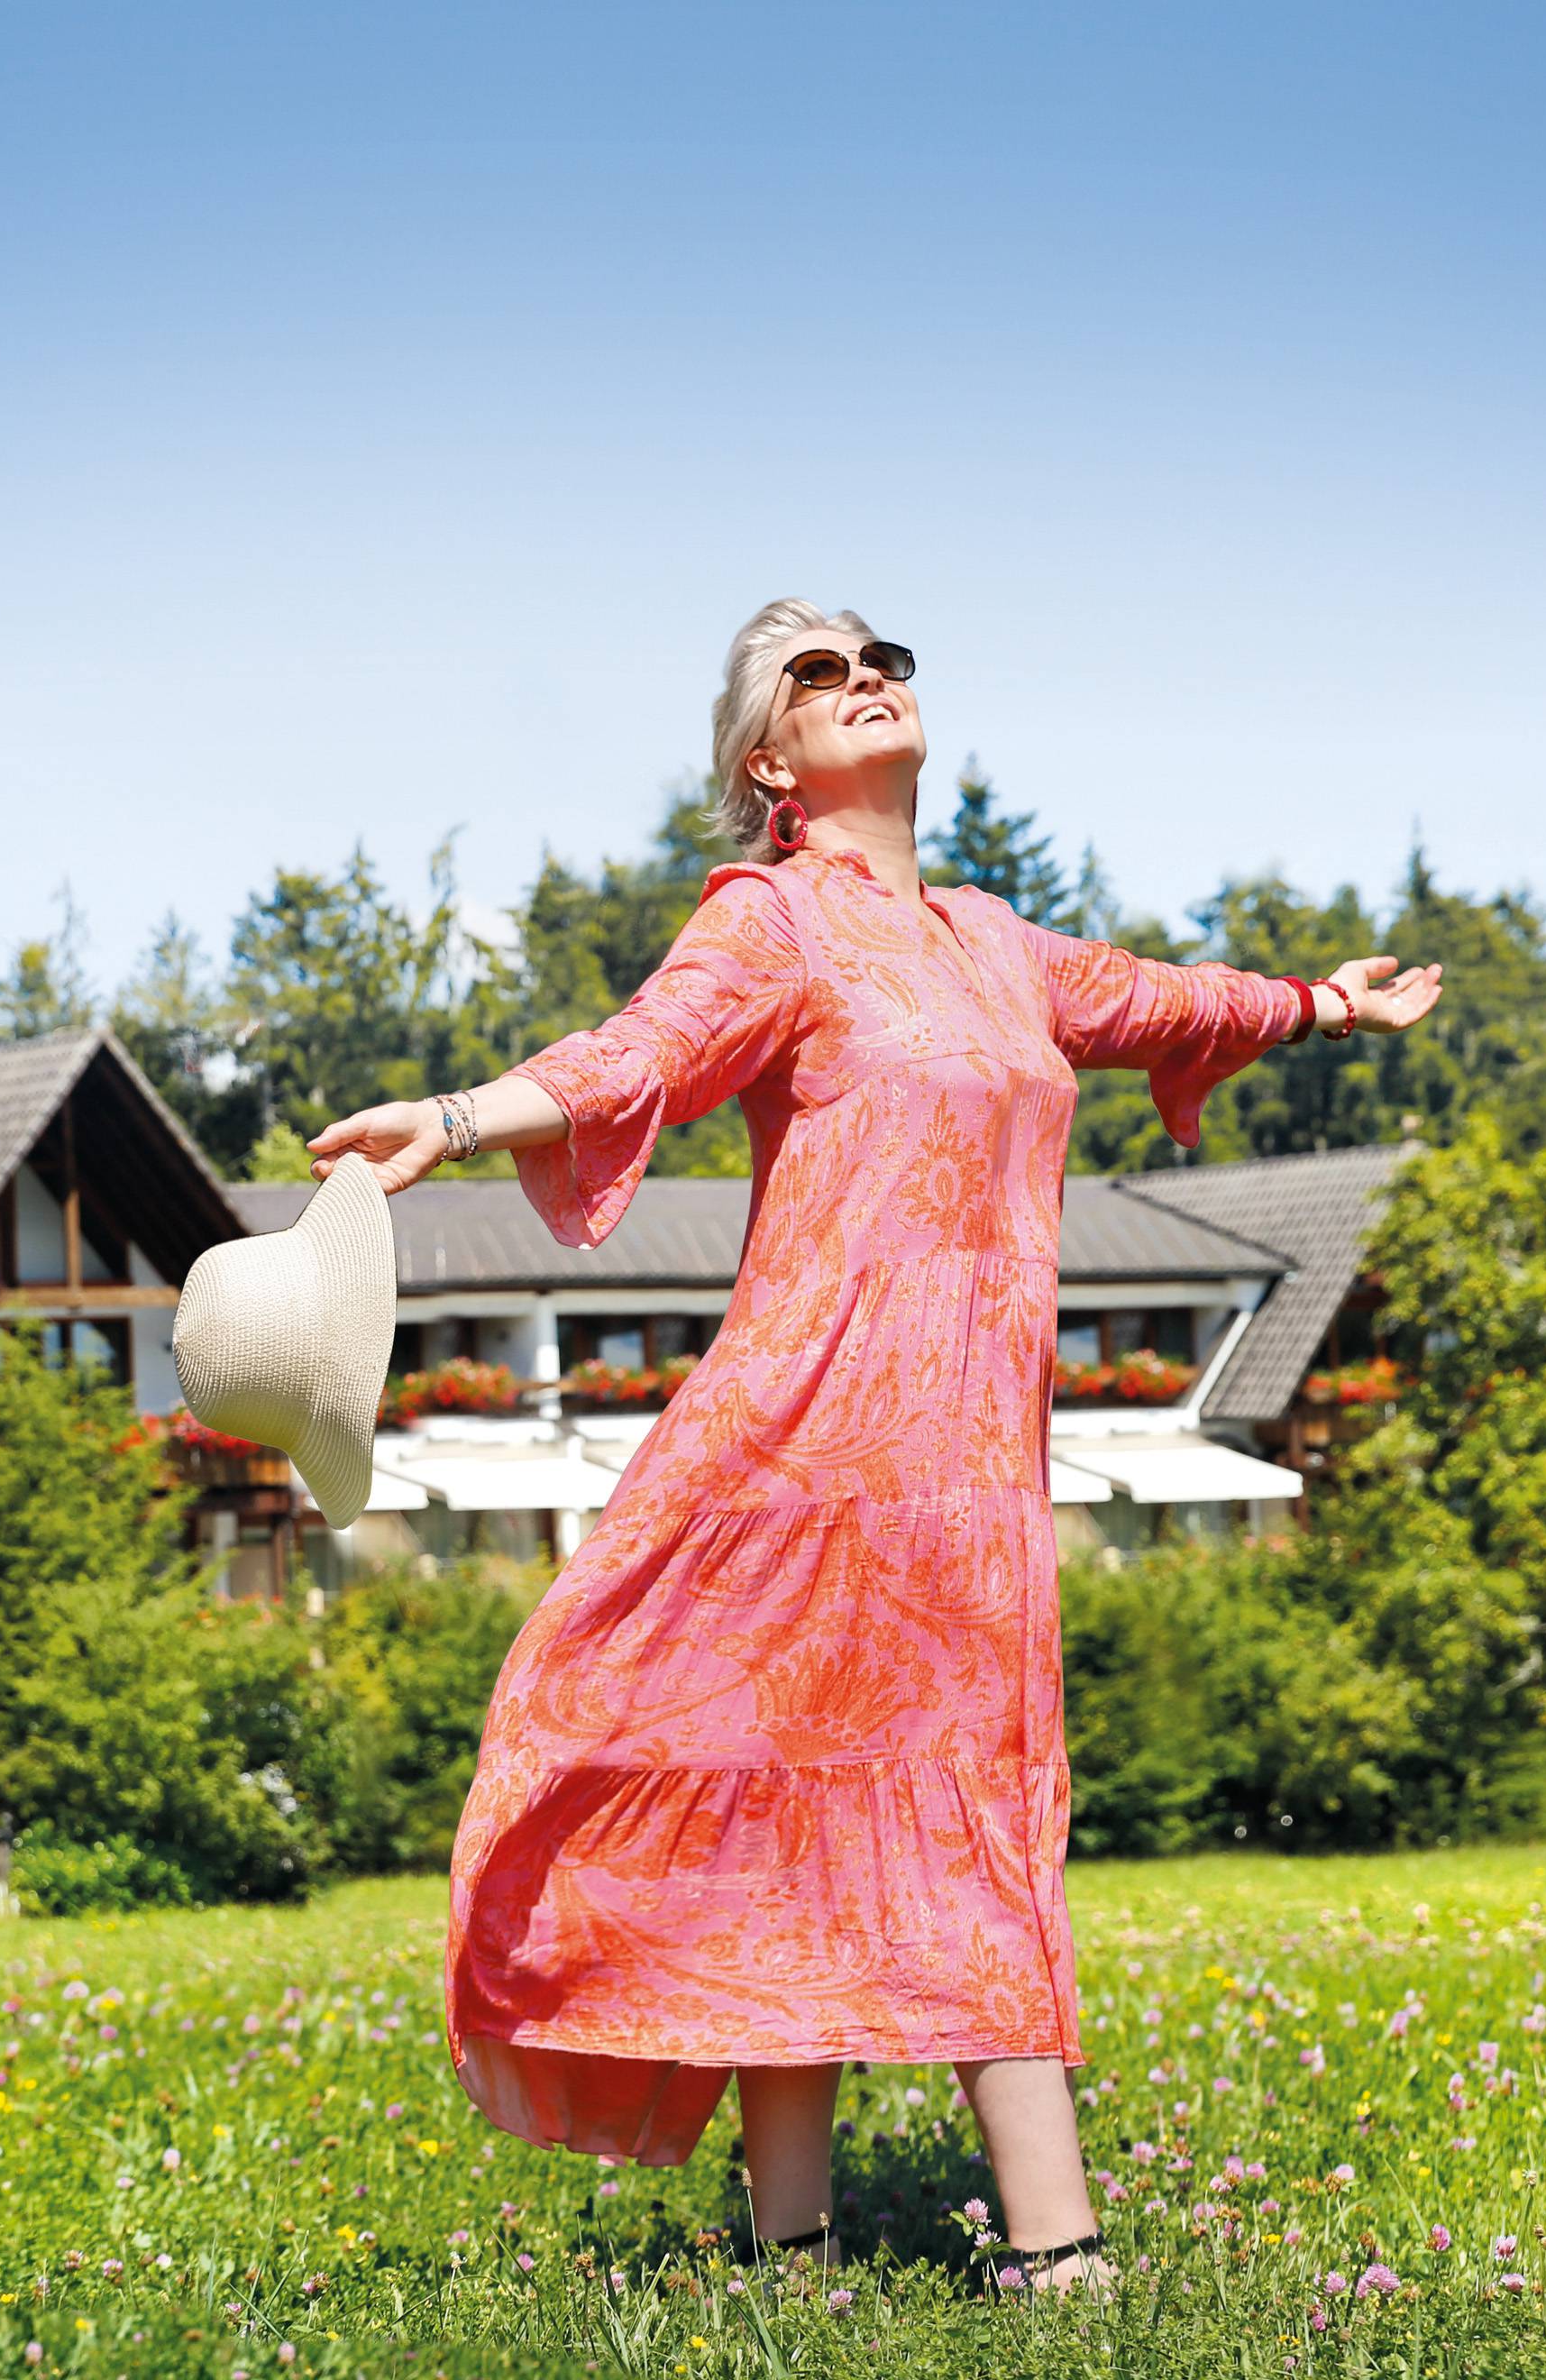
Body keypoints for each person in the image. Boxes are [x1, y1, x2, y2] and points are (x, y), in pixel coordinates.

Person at [310, 599, 1443, 2290]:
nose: (866, 683)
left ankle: (907, 2255)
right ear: (769, 760)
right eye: (818, 673)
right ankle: (976, 2255)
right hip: (803, 1440)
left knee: (965, 1800)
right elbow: (639, 1059)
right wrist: (455, 1121)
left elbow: (1156, 997)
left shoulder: (997, 942)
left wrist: (1316, 1007)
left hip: (964, 1476)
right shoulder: (769, 923)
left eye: (882, 656)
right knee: (782, 1802)